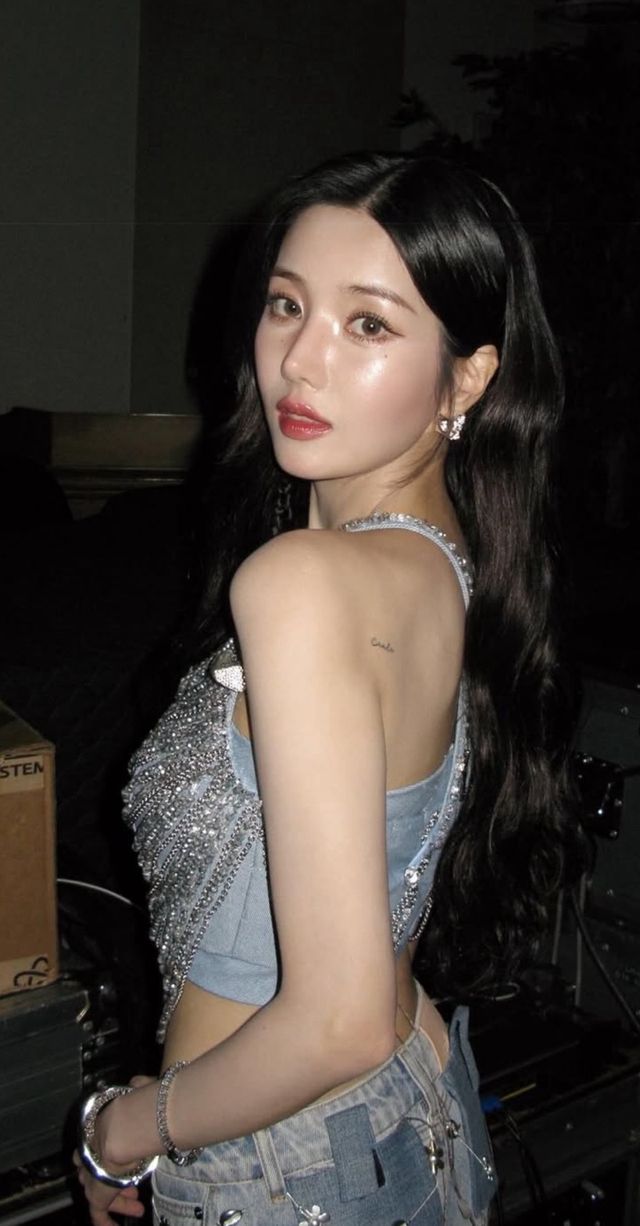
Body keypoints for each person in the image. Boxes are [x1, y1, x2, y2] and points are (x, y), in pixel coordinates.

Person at [75, 151, 582, 1225]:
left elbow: (336, 1019)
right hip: (399, 1108)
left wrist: (124, 1131)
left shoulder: (306, 583)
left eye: (368, 323)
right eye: (286, 305)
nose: (301, 360)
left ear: (468, 378)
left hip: (278, 1160)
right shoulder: (442, 562)